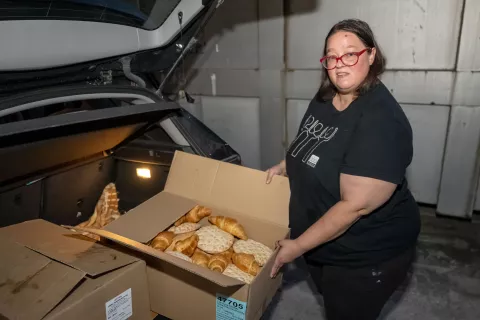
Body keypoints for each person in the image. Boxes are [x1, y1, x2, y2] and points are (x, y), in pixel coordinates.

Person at [266, 19, 421, 320]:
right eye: (331, 56)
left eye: (350, 53)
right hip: (324, 246)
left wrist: (297, 247)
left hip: (363, 258)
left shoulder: (381, 122)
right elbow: (314, 144)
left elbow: (353, 207)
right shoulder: (326, 97)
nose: (339, 64)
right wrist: (287, 165)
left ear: (371, 55)